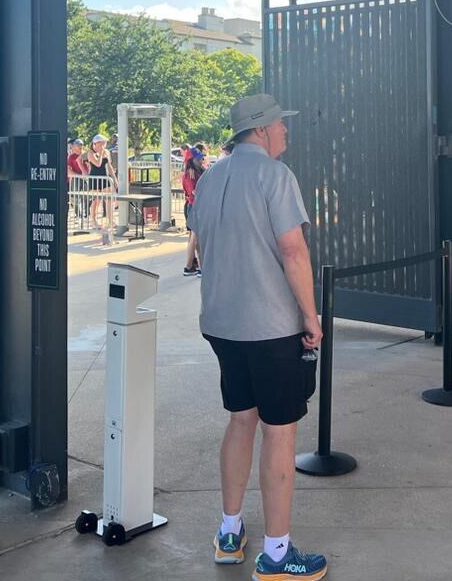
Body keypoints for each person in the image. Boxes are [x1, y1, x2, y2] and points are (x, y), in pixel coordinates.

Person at [194, 94, 327, 579]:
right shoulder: (276, 177)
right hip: (271, 328)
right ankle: (276, 554)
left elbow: (204, 244)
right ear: (262, 130)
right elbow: (293, 251)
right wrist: (311, 317)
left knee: (240, 419)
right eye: (280, 125)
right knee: (280, 431)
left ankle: (230, 532)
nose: (286, 132)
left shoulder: (209, 178)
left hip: (222, 325)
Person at [182, 144, 206, 276]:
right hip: (193, 207)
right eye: (198, 158)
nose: (201, 160)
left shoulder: (199, 170)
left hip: (196, 206)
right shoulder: (190, 174)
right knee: (195, 239)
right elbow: (194, 192)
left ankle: (193, 266)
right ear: (192, 160)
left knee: (195, 238)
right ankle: (190, 266)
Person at [86, 134, 115, 228]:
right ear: (95, 144)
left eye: (104, 143)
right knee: (96, 200)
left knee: (109, 199)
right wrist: (101, 153)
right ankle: (93, 221)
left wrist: (115, 179)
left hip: (105, 177)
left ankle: (111, 221)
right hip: (95, 178)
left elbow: (109, 166)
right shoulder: (90, 153)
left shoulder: (106, 152)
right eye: (101, 143)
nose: (103, 145)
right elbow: (98, 164)